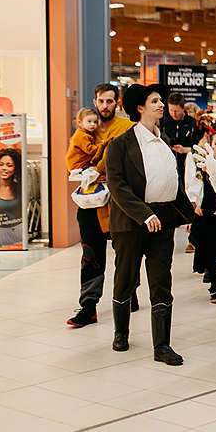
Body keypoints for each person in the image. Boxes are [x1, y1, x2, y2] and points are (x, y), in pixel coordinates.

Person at [105, 84, 195, 365]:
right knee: (126, 277)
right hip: (131, 222)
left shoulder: (163, 139)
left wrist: (186, 214)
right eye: (155, 101)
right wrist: (143, 214)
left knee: (161, 281)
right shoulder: (120, 144)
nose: (161, 105)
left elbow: (170, 179)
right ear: (140, 108)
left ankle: (162, 346)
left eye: (161, 101)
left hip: (163, 221)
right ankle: (121, 332)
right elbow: (117, 186)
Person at [66, 84, 136, 327]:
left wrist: (113, 174)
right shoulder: (85, 130)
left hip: (120, 204)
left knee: (125, 254)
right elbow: (72, 161)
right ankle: (89, 305)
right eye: (101, 101)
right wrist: (88, 172)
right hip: (91, 204)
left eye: (110, 101)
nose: (105, 105)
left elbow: (136, 164)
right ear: (94, 101)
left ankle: (129, 292)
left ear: (117, 102)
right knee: (91, 254)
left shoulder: (127, 128)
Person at [185, 130, 216, 303]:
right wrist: (195, 203)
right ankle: (214, 286)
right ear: (210, 145)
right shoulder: (201, 162)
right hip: (208, 212)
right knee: (210, 251)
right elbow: (193, 181)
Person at [160, 92, 199, 175]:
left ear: (183, 108)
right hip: (168, 166)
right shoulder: (164, 124)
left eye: (176, 111)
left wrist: (185, 150)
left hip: (188, 167)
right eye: (171, 110)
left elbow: (199, 147)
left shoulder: (192, 123)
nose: (173, 114)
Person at [0, 148, 23, 248]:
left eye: (9, 165)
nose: (4, 168)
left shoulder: (20, 187)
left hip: (18, 234)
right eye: (0, 165)